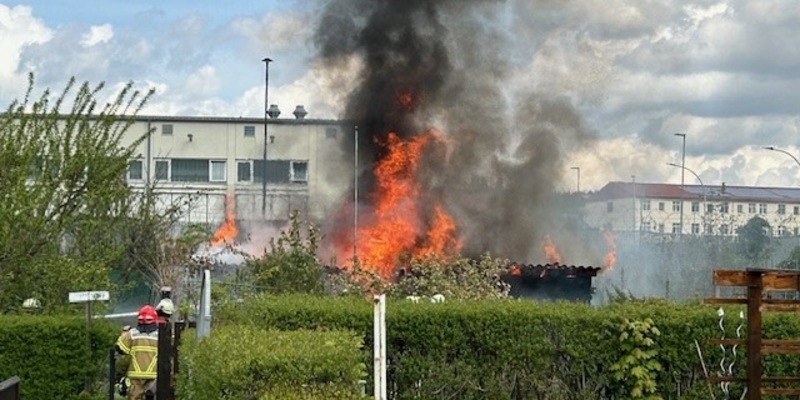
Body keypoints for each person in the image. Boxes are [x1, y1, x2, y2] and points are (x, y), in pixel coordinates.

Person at [116, 305, 159, 400]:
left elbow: (120, 349)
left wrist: (124, 332)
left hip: (135, 376)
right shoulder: (160, 335)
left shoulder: (132, 334)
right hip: (154, 375)